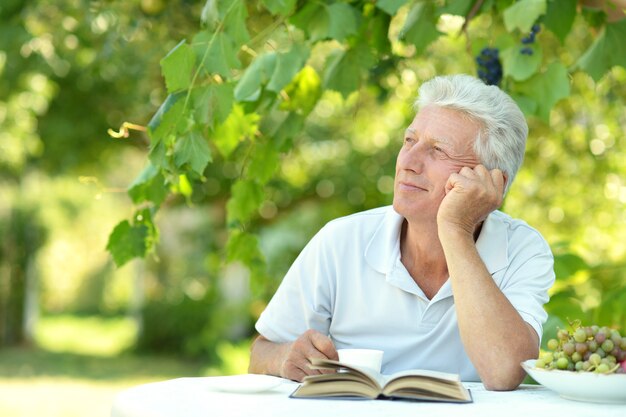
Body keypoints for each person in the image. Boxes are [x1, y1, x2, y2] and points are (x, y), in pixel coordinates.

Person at [248, 74, 555, 391]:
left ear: (491, 182)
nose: (408, 161)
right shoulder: (341, 240)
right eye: (409, 141)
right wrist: (284, 357)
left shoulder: (522, 248)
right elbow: (261, 352)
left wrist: (455, 230)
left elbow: (504, 372)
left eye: (437, 150)